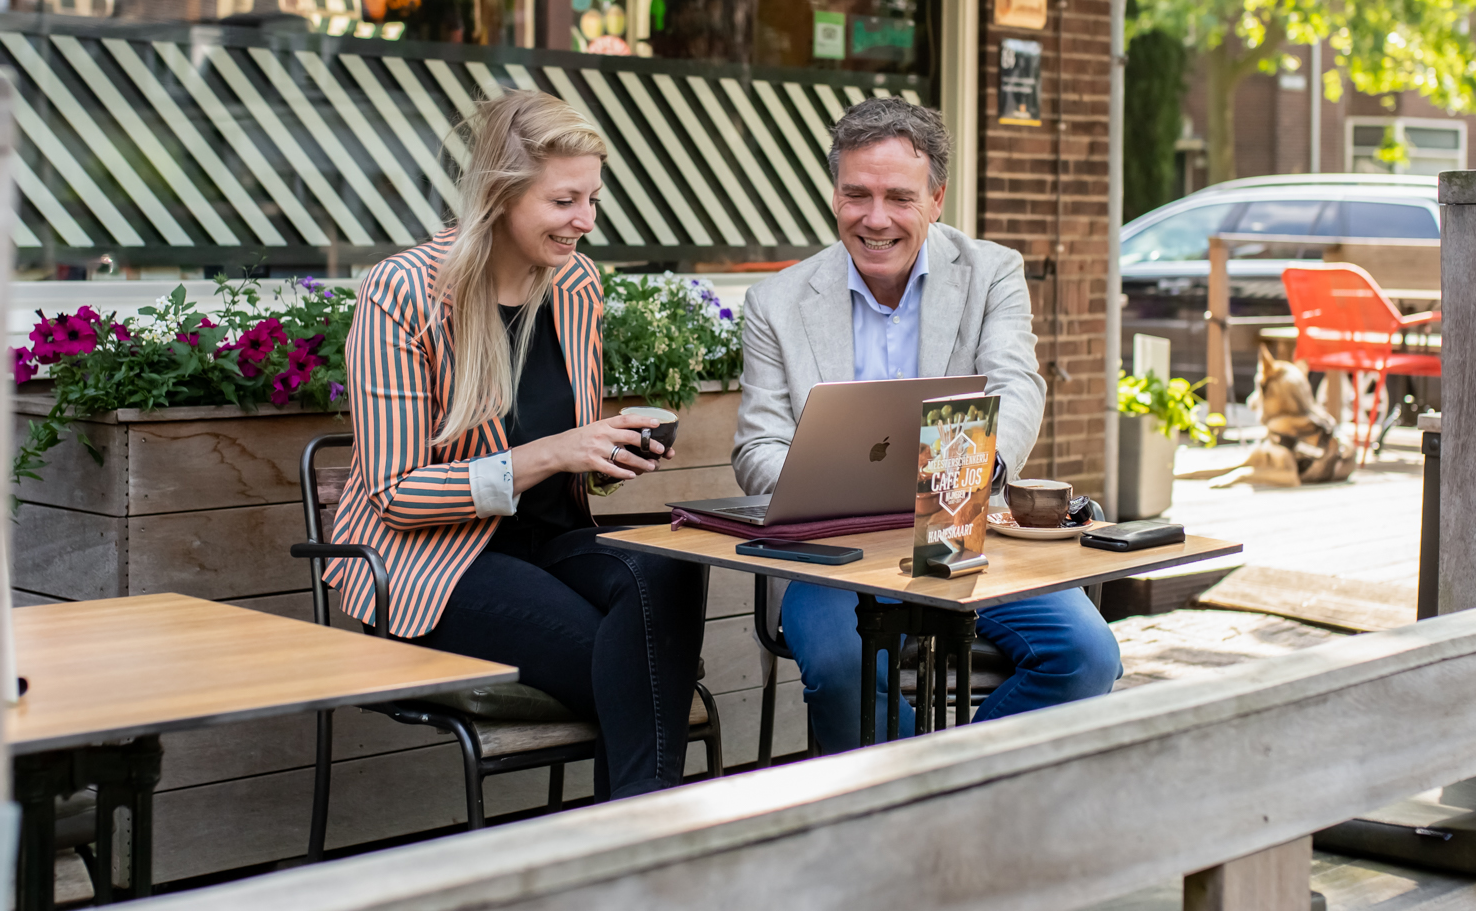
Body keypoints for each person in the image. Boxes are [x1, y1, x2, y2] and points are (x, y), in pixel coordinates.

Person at [326, 88, 705, 799]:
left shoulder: (576, 286)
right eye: (565, 202)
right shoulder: (401, 293)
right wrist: (560, 450)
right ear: (500, 195)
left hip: (552, 544)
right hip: (433, 560)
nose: (585, 222)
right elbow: (396, 492)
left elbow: (568, 469)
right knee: (637, 664)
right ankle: (643, 852)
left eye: (592, 199)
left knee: (671, 573)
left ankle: (628, 854)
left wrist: (610, 456)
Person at [732, 98, 1121, 750]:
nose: (874, 218)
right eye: (856, 194)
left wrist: (975, 469)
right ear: (834, 195)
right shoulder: (776, 300)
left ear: (938, 198)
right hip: (835, 553)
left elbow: (1016, 385)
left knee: (1085, 655)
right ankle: (907, 826)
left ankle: (943, 794)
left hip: (960, 535)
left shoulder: (992, 272)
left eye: (898, 197)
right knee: (840, 667)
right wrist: (829, 482)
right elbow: (757, 447)